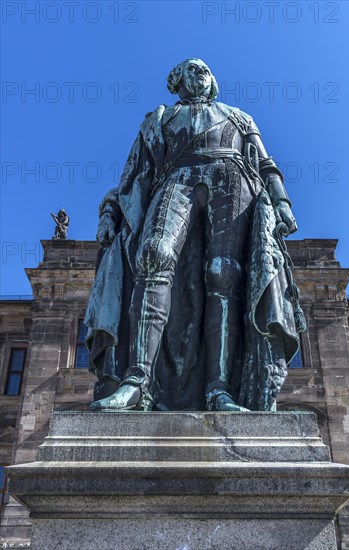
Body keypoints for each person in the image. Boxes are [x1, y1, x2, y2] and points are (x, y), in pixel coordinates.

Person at [85, 58, 304, 412]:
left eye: (204, 70)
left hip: (233, 180)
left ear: (212, 79)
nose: (199, 74)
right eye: (191, 70)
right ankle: (138, 380)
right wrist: (110, 212)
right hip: (176, 178)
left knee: (224, 273)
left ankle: (220, 390)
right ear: (177, 81)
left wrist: (281, 202)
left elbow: (266, 164)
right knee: (153, 255)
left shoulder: (238, 117)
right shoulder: (158, 119)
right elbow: (134, 175)